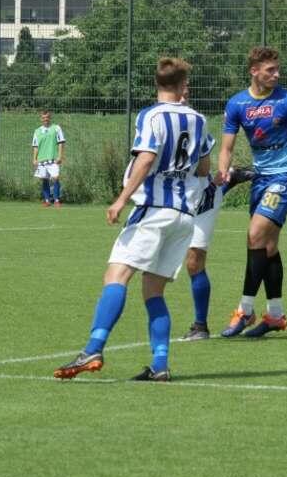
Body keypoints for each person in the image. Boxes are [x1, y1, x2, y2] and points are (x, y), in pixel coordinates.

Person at [54, 57, 213, 382]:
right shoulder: (199, 120)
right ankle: (160, 364)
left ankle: (94, 348)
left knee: (117, 275)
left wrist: (121, 199)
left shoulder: (151, 116)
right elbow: (204, 168)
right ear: (182, 85)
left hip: (152, 210)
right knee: (154, 291)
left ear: (157, 83)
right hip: (184, 217)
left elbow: (146, 158)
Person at [217, 46, 287, 338]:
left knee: (255, 234)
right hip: (261, 179)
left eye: (277, 69)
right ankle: (276, 315)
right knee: (266, 247)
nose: (276, 75)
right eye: (270, 70)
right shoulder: (237, 104)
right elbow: (226, 147)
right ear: (254, 71)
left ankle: (245, 310)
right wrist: (223, 171)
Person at [179, 166, 257, 341]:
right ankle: (229, 180)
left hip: (201, 201)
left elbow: (203, 163)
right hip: (167, 199)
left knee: (194, 262)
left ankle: (200, 326)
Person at [31, 110, 65, 206]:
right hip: (41, 160)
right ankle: (47, 200)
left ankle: (56, 200)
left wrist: (60, 156)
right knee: (45, 179)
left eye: (47, 117)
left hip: (53, 159)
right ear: (41, 119)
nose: (45, 119)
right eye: (43, 118)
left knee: (56, 178)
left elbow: (61, 142)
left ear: (50, 118)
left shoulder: (56, 128)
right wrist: (34, 159)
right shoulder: (37, 131)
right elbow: (35, 146)